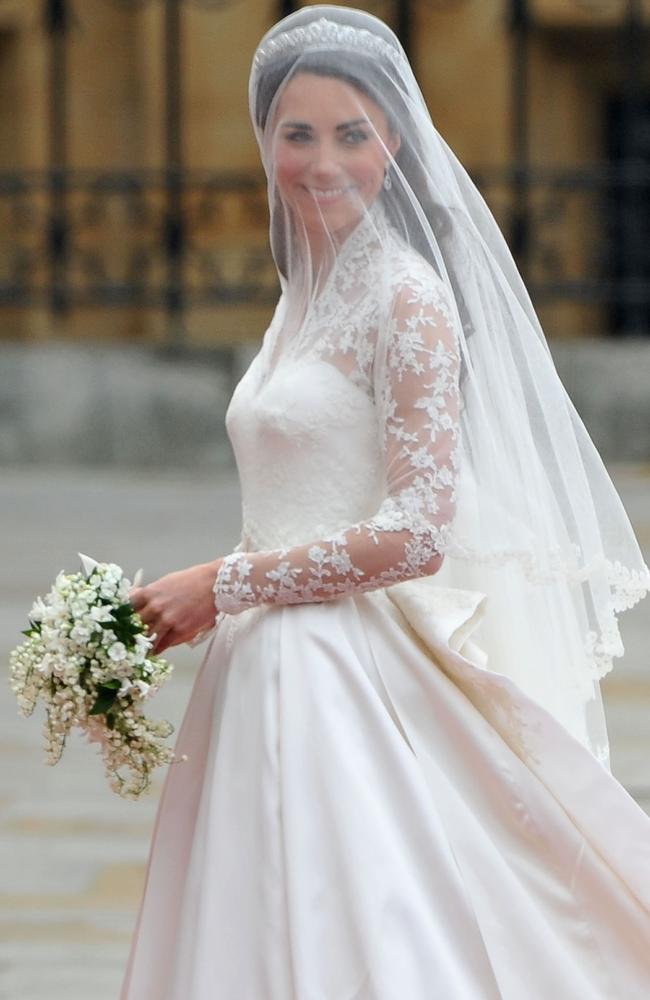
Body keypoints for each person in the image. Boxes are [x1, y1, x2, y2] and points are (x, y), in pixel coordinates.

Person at [122, 6, 650, 997]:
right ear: (263, 142)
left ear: (393, 142)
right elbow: (301, 486)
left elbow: (416, 532)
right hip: (258, 658)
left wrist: (219, 584)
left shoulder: (405, 297)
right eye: (296, 133)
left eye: (350, 133)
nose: (322, 162)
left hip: (344, 667)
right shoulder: (303, 290)